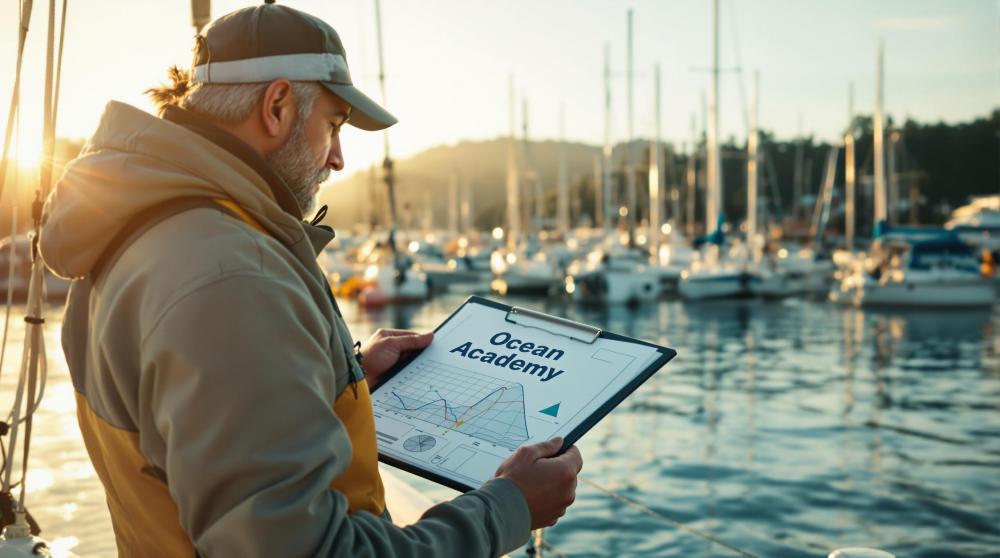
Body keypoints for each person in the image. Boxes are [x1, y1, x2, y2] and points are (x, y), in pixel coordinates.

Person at [38, 3, 582, 556]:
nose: (340, 158)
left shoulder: (138, 227)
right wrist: (506, 508)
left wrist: (336, 377)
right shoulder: (233, 277)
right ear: (276, 107)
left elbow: (188, 426)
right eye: (334, 124)